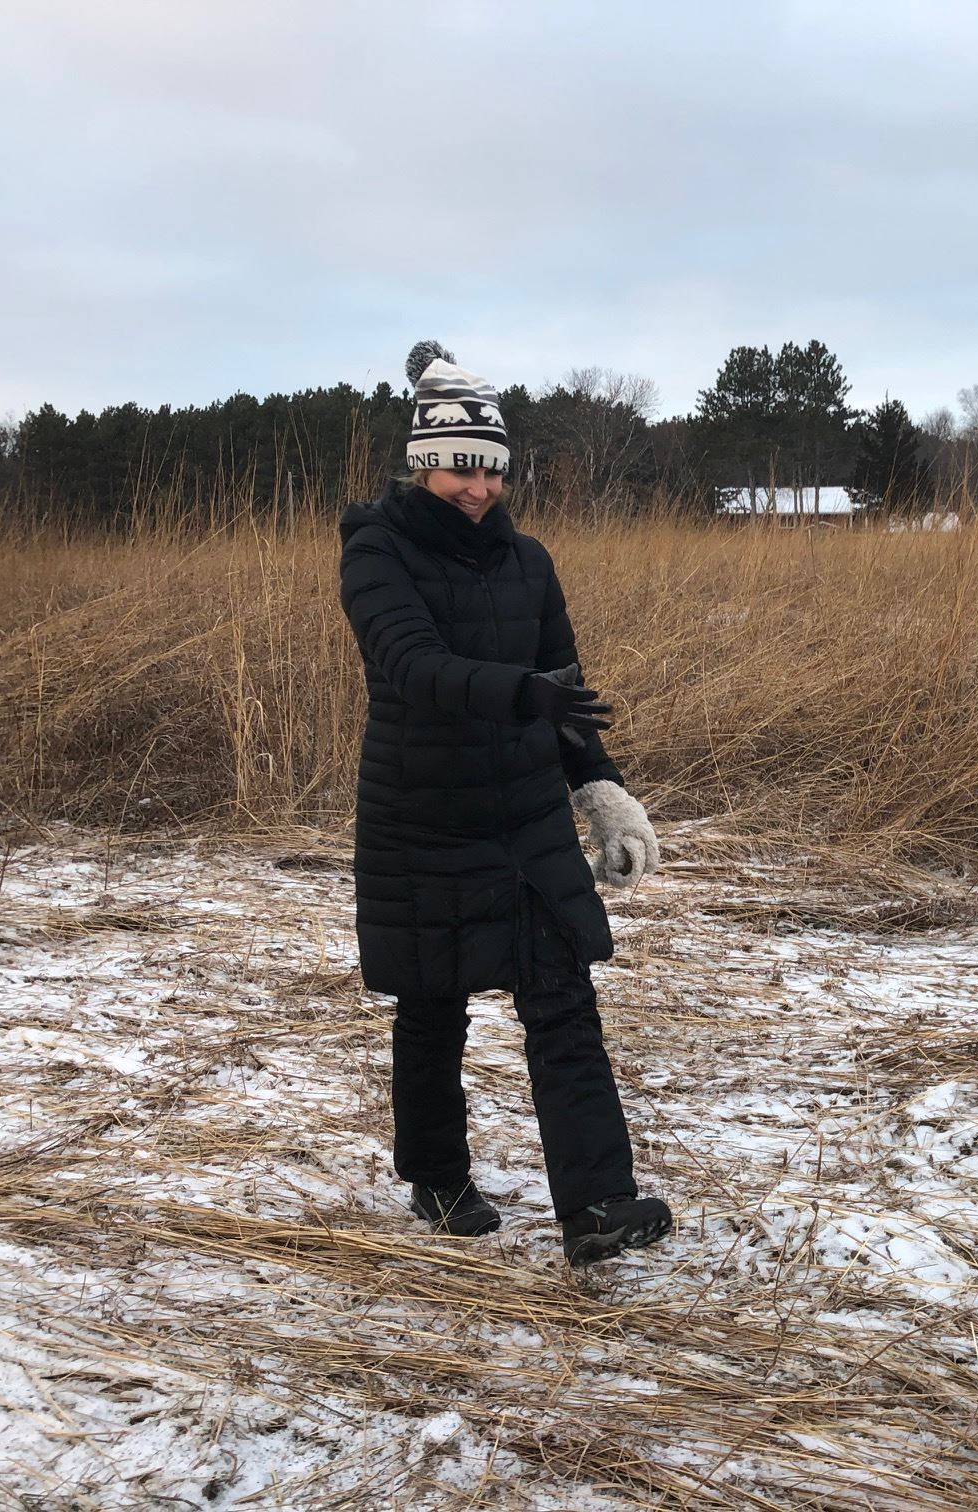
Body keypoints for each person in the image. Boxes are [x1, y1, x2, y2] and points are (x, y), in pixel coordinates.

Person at [337, 340, 672, 1268]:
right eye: (458, 470)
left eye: (489, 470)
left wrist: (600, 789)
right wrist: (522, 693)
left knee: (563, 997)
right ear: (423, 464)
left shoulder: (530, 562)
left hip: (524, 817)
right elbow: (410, 665)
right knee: (434, 1003)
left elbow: (564, 690)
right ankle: (438, 1178)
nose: (477, 489)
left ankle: (598, 1204)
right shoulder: (377, 551)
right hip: (423, 814)